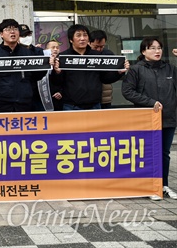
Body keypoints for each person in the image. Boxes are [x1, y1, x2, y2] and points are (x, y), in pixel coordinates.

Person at [122, 37, 177, 200]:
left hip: (168, 118)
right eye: (152, 48)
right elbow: (128, 91)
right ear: (143, 51)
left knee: (164, 153)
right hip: (146, 118)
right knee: (148, 152)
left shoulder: (170, 69)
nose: (157, 51)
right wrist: (150, 102)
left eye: (159, 48)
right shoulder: (136, 69)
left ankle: (163, 185)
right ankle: (149, 186)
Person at [51, 24, 128, 110]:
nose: (82, 38)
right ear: (71, 39)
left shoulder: (97, 56)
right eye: (78, 35)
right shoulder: (63, 57)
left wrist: (119, 72)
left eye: (85, 35)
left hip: (94, 105)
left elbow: (105, 78)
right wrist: (57, 72)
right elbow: (56, 82)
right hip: (71, 106)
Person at [0, 19, 47, 113]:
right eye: (8, 29)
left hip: (24, 103)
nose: (12, 32)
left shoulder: (28, 53)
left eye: (15, 29)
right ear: (1, 34)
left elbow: (37, 76)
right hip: (1, 103)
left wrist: (45, 65)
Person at [19, 24, 46, 111]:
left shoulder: (38, 51)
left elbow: (41, 73)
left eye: (28, 35)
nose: (27, 37)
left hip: (36, 92)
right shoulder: (14, 53)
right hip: (19, 94)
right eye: (23, 35)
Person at [89, 30, 113, 109]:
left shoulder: (108, 54)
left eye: (102, 46)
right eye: (96, 47)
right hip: (88, 98)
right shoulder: (85, 55)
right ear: (89, 43)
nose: (99, 49)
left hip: (105, 96)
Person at [45, 40, 63, 111]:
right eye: (53, 47)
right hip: (43, 99)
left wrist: (61, 92)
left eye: (57, 48)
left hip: (57, 101)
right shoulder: (42, 63)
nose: (55, 49)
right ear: (46, 50)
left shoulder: (61, 62)